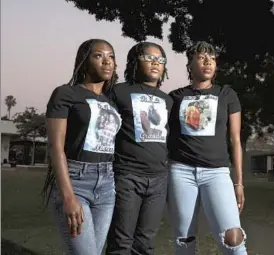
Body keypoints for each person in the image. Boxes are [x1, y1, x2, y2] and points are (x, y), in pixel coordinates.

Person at [42, 39, 121, 255]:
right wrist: (68, 196)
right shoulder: (66, 94)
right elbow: (55, 147)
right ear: (84, 61)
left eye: (111, 56)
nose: (107, 61)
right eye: (98, 56)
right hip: (76, 181)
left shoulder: (111, 101)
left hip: (107, 185)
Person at [167, 41, 247, 255]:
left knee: (233, 237)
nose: (207, 62)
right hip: (180, 171)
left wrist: (238, 182)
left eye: (212, 59)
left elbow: (235, 140)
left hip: (217, 173)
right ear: (190, 64)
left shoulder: (226, 94)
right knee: (184, 240)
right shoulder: (175, 97)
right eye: (201, 58)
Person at [106, 42, 173, 255]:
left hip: (158, 180)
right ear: (135, 61)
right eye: (149, 57)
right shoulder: (119, 92)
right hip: (127, 175)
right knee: (121, 242)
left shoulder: (167, 99)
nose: (156, 63)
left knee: (146, 243)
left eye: (161, 60)